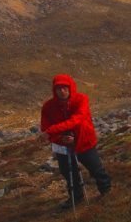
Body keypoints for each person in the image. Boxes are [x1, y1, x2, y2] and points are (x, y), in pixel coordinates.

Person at [40, 74, 111, 209]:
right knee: (68, 172)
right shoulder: (48, 107)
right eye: (58, 88)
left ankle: (106, 191)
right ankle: (76, 198)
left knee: (96, 168)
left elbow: (77, 120)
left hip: (84, 140)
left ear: (71, 87)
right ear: (54, 90)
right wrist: (60, 138)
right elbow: (45, 128)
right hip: (62, 145)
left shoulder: (81, 99)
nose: (62, 91)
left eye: (65, 87)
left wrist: (53, 131)